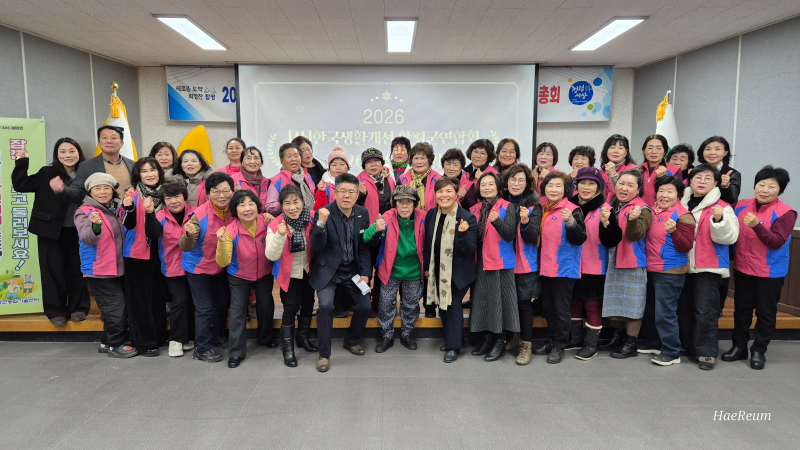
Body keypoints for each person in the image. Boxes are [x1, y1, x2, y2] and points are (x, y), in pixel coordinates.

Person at [723, 166, 796, 370]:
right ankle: (739, 347)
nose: (764, 189)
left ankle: (758, 350)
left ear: (779, 190)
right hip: (743, 268)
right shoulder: (741, 205)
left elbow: (776, 241)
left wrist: (757, 225)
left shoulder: (786, 212)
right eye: (761, 184)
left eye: (771, 186)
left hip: (769, 272)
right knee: (742, 310)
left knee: (765, 313)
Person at [12, 138, 89, 326]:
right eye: (63, 152)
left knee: (78, 270)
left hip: (80, 230)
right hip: (49, 230)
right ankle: (56, 311)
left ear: (79, 152)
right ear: (57, 155)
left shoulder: (86, 173)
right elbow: (21, 185)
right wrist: (22, 163)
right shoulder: (47, 172)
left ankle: (79, 307)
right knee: (52, 271)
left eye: (72, 151)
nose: (68, 155)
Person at [310, 173, 373, 372]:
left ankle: (351, 340)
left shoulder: (362, 213)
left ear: (357, 194)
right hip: (329, 271)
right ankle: (324, 354)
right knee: (326, 306)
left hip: (353, 271)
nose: (346, 196)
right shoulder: (324, 212)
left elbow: (363, 247)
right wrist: (320, 224)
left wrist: (365, 272)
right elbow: (316, 246)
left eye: (351, 192)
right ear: (335, 192)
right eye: (342, 191)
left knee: (365, 305)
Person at [678, 164, 739, 370]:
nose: (702, 181)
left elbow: (730, 237)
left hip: (708, 267)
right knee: (683, 309)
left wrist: (718, 218)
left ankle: (705, 351)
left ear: (715, 183)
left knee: (705, 310)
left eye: (707, 178)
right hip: (681, 265)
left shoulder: (722, 206)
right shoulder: (680, 204)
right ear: (690, 180)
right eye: (698, 177)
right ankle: (687, 345)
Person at [74, 173, 137, 358]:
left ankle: (107, 341)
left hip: (119, 267)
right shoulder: (84, 212)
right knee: (117, 307)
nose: (102, 192)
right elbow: (87, 238)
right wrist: (95, 226)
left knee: (112, 308)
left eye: (106, 188)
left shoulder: (117, 207)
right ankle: (116, 345)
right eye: (97, 188)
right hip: (99, 270)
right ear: (90, 192)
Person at [179, 172, 236, 363]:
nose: (221, 195)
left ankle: (217, 335)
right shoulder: (198, 215)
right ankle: (201, 348)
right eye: (216, 191)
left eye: (226, 191)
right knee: (204, 307)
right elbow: (185, 246)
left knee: (222, 303)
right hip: (198, 266)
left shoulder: (234, 210)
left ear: (232, 191)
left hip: (220, 265)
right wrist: (188, 234)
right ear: (208, 193)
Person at [532, 171, 587, 364]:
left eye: (558, 186)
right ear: (544, 188)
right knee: (548, 308)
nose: (553, 189)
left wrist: (571, 223)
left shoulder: (573, 210)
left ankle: (559, 345)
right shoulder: (543, 208)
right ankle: (551, 339)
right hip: (545, 267)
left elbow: (580, 239)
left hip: (564, 268)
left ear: (565, 190)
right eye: (550, 186)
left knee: (561, 309)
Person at [215, 190, 273, 368]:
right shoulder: (230, 230)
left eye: (251, 204)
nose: (247, 208)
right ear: (235, 209)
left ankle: (265, 338)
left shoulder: (267, 222)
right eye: (242, 205)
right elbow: (222, 261)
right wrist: (222, 243)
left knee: (266, 303)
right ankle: (236, 352)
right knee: (238, 310)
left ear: (258, 206)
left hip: (264, 272)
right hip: (239, 275)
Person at [364, 185, 425, 353]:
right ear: (394, 204)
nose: (404, 206)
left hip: (414, 270)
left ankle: (406, 333)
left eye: (408, 202)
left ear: (415, 204)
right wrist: (376, 229)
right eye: (400, 202)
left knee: (411, 304)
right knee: (385, 303)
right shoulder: (386, 217)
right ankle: (387, 335)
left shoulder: (424, 218)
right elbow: (366, 238)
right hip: (390, 270)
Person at [598, 169, 652, 358]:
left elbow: (635, 235)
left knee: (633, 304)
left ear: (638, 190)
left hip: (632, 262)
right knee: (615, 301)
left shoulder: (643, 209)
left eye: (630, 185)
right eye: (621, 183)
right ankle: (616, 337)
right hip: (612, 259)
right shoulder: (612, 204)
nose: (624, 188)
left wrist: (634, 219)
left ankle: (630, 344)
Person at [642, 176, 695, 366]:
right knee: (652, 310)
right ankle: (655, 343)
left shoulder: (683, 215)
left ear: (678, 195)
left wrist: (674, 231)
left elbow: (685, 246)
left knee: (666, 312)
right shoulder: (654, 211)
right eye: (661, 190)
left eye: (670, 191)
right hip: (651, 266)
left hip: (670, 270)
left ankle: (672, 351)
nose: (665, 195)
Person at [424, 177, 478, 363]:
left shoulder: (467, 217)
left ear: (456, 194)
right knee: (443, 305)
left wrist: (462, 234)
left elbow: (469, 249)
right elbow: (428, 244)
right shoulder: (432, 214)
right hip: (438, 269)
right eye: (440, 191)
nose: (444, 195)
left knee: (453, 304)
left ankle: (454, 346)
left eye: (448, 191)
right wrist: (427, 268)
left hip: (460, 271)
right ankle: (452, 339)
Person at [468, 172, 520, 362]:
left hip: (500, 262)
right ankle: (486, 339)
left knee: (500, 302)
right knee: (483, 300)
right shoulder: (474, 209)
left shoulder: (507, 207)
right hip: (480, 261)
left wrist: (497, 221)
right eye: (483, 184)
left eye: (491, 184)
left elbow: (509, 235)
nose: (487, 187)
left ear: (498, 187)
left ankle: (500, 342)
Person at [121, 157, 167, 357]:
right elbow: (129, 224)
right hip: (137, 253)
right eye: (145, 171)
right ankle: (144, 342)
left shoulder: (167, 193)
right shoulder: (131, 195)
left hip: (162, 253)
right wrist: (130, 207)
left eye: (153, 170)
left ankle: (158, 336)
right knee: (140, 300)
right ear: (138, 174)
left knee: (158, 298)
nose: (150, 174)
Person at [265, 185, 318, 361]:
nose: (292, 207)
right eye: (287, 203)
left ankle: (302, 338)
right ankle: (287, 347)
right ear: (281, 206)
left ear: (303, 202)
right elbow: (271, 255)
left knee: (309, 303)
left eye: (296, 202)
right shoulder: (275, 224)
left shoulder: (311, 217)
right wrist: (280, 235)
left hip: (307, 269)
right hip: (288, 273)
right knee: (291, 306)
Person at [568, 167, 613, 361]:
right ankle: (575, 339)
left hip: (595, 265)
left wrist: (606, 224)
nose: (586, 187)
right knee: (573, 302)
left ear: (599, 186)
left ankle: (591, 344)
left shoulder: (606, 209)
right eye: (582, 183)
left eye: (591, 183)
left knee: (592, 305)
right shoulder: (569, 206)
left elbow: (611, 239)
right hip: (572, 265)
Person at [501, 164, 541, 365]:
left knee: (525, 304)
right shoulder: (501, 203)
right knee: (509, 302)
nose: (516, 184)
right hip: (504, 261)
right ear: (506, 183)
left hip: (525, 263)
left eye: (520, 180)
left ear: (527, 184)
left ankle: (526, 344)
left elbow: (532, 236)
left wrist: (525, 221)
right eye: (512, 180)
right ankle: (513, 336)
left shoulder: (534, 206)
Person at [697, 136, 742, 312]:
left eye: (717, 148)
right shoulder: (696, 171)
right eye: (708, 148)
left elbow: (733, 198)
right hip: (697, 227)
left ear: (725, 152)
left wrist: (725, 185)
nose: (712, 152)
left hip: (720, 224)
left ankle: (717, 309)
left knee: (719, 273)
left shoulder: (732, 173)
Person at [154, 182, 196, 357]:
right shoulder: (158, 217)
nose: (174, 201)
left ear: (184, 197)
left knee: (194, 302)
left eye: (177, 196)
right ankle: (176, 340)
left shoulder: (196, 212)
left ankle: (188, 337)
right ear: (164, 201)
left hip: (196, 265)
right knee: (179, 301)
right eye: (168, 198)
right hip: (172, 266)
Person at [357, 148, 396, 315]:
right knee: (365, 270)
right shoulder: (359, 181)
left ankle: (378, 303)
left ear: (382, 163)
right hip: (367, 232)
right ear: (364, 166)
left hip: (387, 233)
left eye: (376, 161)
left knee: (383, 268)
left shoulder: (390, 180)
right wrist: (361, 194)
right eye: (368, 162)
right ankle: (363, 303)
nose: (373, 164)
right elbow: (354, 207)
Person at [60, 125, 135, 202]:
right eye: (104, 138)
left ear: (122, 143)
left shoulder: (133, 165)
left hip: (131, 211)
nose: (109, 141)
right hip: (100, 213)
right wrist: (62, 190)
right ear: (99, 143)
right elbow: (77, 190)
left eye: (114, 138)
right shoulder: (87, 166)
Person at [265, 143, 316, 216]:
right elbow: (269, 207)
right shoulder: (277, 180)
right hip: (288, 223)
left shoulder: (307, 176)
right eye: (289, 156)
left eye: (296, 155)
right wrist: (286, 203)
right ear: (282, 160)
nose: (294, 159)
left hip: (311, 220)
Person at [640, 134, 682, 207]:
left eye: (659, 148)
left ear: (664, 151)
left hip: (662, 214)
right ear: (644, 150)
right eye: (650, 148)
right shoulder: (637, 170)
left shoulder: (675, 170)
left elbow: (678, 196)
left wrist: (663, 178)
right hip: (639, 213)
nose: (654, 152)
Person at [399, 142, 441, 212]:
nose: (419, 162)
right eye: (416, 158)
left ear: (429, 160)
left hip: (432, 220)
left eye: (422, 158)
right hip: (408, 220)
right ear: (411, 161)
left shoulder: (438, 179)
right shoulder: (402, 178)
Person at [600, 134, 637, 204]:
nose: (616, 151)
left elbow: (630, 194)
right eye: (612, 147)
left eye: (620, 148)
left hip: (623, 210)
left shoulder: (633, 170)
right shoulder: (600, 171)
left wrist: (613, 175)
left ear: (626, 152)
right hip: (602, 211)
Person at [463, 139, 498, 210]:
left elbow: (496, 199)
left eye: (482, 153)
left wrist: (482, 180)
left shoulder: (493, 174)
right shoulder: (463, 172)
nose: (478, 156)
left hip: (483, 213)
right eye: (475, 152)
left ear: (488, 157)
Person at [314, 146, 350, 210]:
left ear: (347, 168)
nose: (338, 168)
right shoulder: (324, 186)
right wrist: (321, 192)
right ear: (329, 168)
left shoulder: (353, 184)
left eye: (342, 164)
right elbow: (318, 209)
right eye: (334, 165)